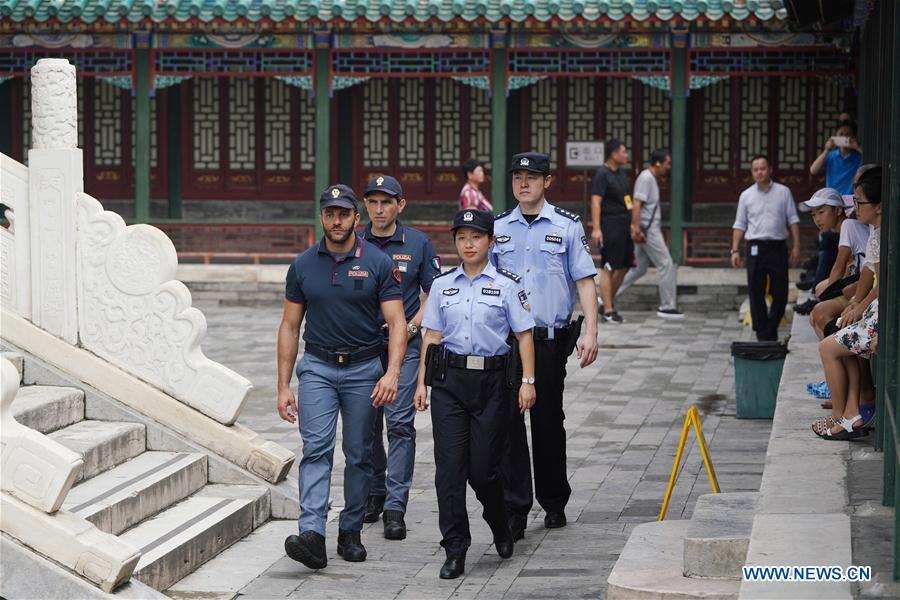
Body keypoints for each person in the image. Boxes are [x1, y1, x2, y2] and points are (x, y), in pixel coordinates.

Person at [277, 184, 408, 570]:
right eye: (330, 213)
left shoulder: (378, 262)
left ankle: (350, 531)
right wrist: (283, 385)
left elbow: (397, 322)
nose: (336, 220)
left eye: (344, 213)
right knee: (316, 450)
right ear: (321, 216)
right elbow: (289, 326)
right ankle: (312, 534)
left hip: (364, 370)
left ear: (356, 216)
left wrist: (392, 374)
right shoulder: (302, 265)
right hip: (317, 368)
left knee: (359, 454)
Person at [414, 209, 536, 580]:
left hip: (493, 385)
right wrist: (421, 384)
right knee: (449, 472)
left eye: (476, 237)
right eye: (462, 237)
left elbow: (524, 336)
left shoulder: (507, 284)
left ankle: (499, 522)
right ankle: (455, 548)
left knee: (484, 472)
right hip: (449, 384)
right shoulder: (442, 285)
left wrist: (528, 381)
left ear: (491, 241)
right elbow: (432, 337)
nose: (468, 244)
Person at [493, 151, 600, 541]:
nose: (524, 184)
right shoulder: (497, 227)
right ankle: (515, 508)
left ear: (547, 182)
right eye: (517, 177)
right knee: (508, 425)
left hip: (549, 342)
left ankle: (554, 501)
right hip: (507, 344)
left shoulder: (567, 226)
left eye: (532, 177)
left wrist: (591, 331)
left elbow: (584, 280)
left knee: (548, 423)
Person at [360, 175, 441, 539]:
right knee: (366, 426)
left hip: (405, 346)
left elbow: (435, 292)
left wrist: (410, 327)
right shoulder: (354, 241)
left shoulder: (418, 243)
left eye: (387, 202)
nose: (379, 210)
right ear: (365, 205)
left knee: (399, 424)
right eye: (373, 202)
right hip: (363, 347)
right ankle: (374, 491)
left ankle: (395, 505)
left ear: (400, 205)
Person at [812, 166, 881, 439]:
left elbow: (884, 284)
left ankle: (840, 417)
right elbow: (868, 274)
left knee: (828, 348)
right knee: (839, 332)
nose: (855, 208)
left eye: (860, 202)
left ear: (878, 206)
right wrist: (855, 303)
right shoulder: (876, 232)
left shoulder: (883, 235)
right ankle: (850, 412)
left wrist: (860, 307)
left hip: (881, 315)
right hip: (872, 309)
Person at [730, 155, 801, 341]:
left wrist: (796, 246)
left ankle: (770, 327)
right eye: (755, 169)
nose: (759, 172)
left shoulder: (783, 192)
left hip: (778, 247)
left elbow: (793, 220)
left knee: (780, 291)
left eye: (762, 168)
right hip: (755, 247)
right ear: (752, 172)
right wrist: (735, 250)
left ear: (770, 169)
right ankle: (763, 333)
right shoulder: (746, 195)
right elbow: (739, 224)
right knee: (755, 291)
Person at [616, 148, 683, 318]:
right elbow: (637, 204)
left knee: (639, 268)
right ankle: (667, 306)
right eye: (667, 163)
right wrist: (636, 228)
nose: (669, 167)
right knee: (666, 264)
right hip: (648, 230)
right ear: (658, 163)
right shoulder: (646, 178)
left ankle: (606, 298)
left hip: (646, 229)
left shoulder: (651, 178)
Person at [590, 139, 632, 323]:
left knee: (624, 266)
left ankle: (606, 302)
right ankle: (608, 310)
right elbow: (595, 202)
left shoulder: (621, 173)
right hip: (610, 224)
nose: (626, 155)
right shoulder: (602, 174)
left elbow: (627, 199)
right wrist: (596, 228)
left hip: (625, 223)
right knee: (608, 266)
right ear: (614, 154)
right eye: (623, 152)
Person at [793, 188, 846, 315]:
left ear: (838, 210)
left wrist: (823, 297)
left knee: (819, 309)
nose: (817, 219)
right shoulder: (839, 231)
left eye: (821, 212)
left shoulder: (848, 227)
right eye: (813, 215)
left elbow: (839, 269)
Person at [809, 120, 862, 195]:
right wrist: (826, 150)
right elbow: (813, 170)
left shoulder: (858, 157)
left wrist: (857, 147)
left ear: (853, 137)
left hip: (850, 198)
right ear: (836, 136)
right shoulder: (830, 155)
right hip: (832, 198)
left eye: (847, 134)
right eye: (841, 134)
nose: (844, 137)